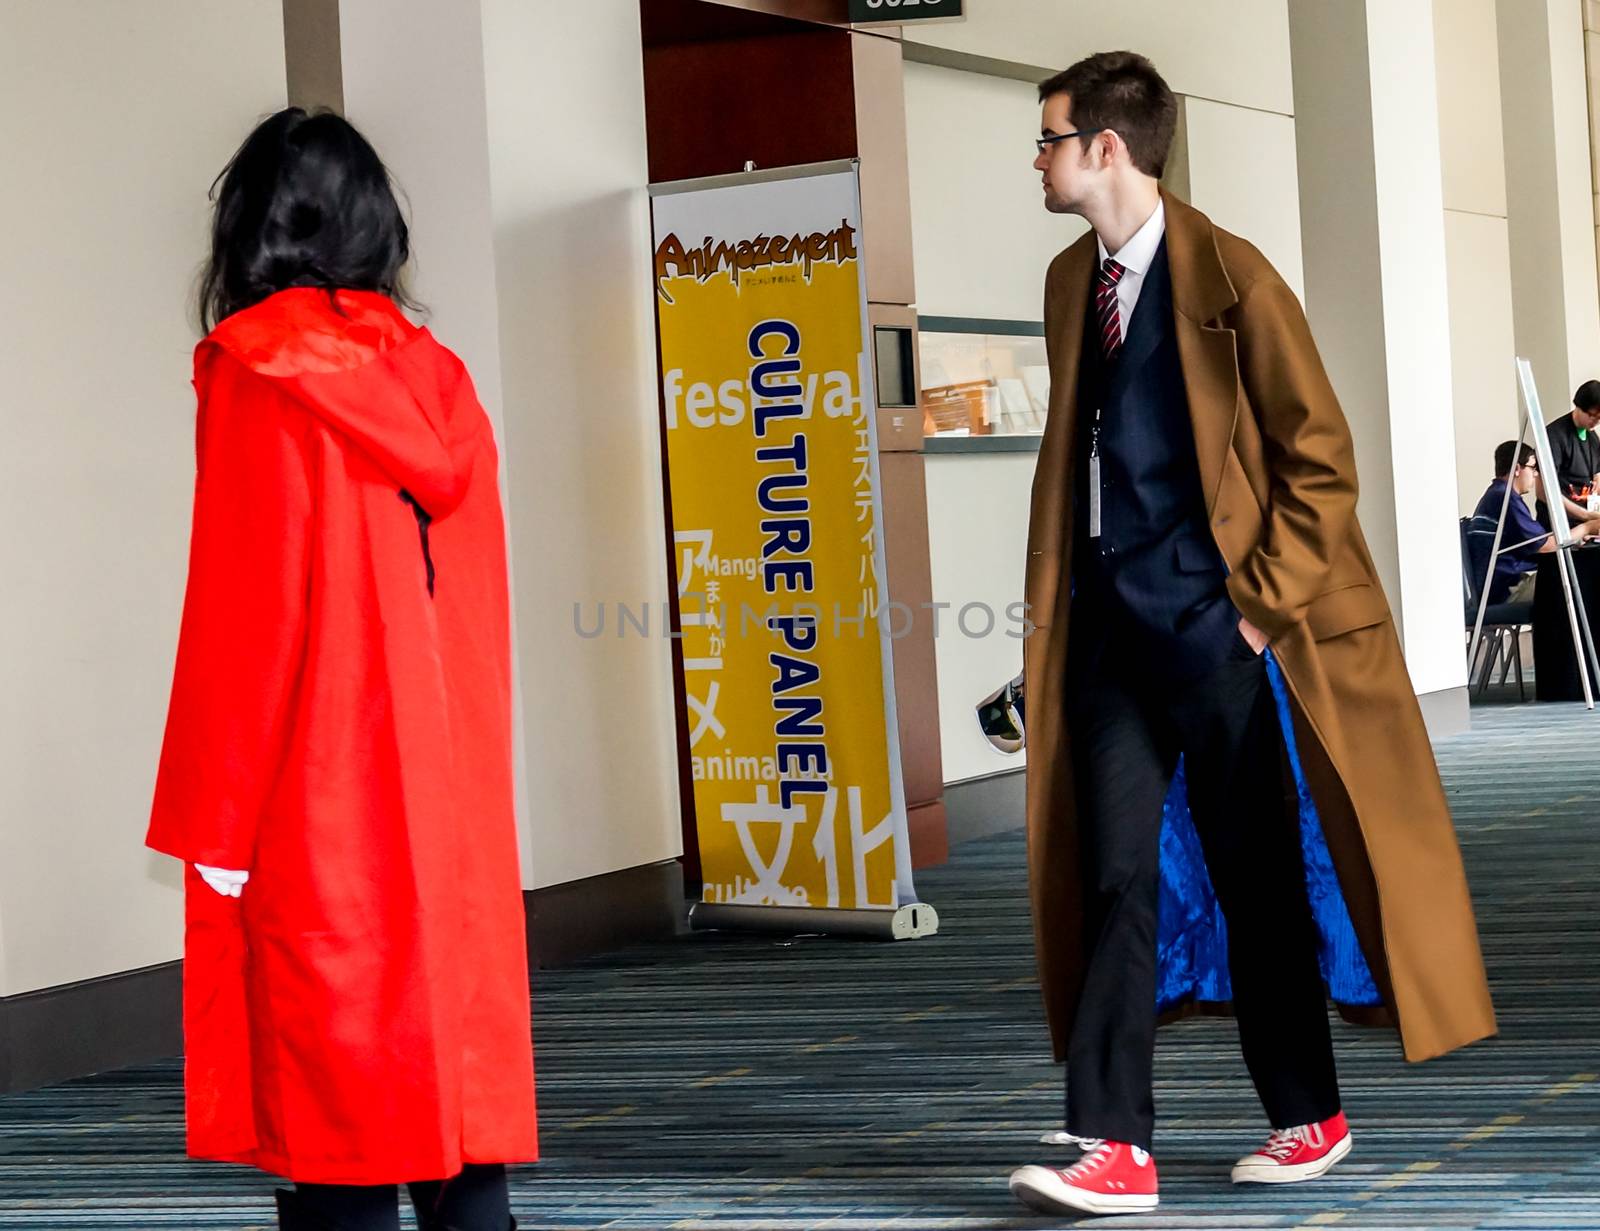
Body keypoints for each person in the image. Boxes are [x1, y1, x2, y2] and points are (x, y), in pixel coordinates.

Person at [1007, 52, 1495, 1218]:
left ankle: (1307, 1113)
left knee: (1255, 877)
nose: (1037, 158)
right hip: (1112, 641)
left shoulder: (1235, 276)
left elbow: (1322, 466)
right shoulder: (1070, 282)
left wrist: (1252, 607)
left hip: (1220, 632)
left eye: (1047, 138)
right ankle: (1113, 1141)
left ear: (1106, 150)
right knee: (1112, 873)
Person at [146, 108, 535, 1231]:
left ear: (252, 224)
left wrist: (215, 829)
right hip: (449, 796)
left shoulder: (256, 373)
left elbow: (244, 608)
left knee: (338, 1088)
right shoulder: (438, 379)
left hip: (324, 791)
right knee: (453, 1092)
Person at [1470, 441, 1600, 605]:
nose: (1536, 474)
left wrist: (1577, 536)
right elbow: (1545, 545)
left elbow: (1537, 540)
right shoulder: (1505, 498)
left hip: (1501, 583)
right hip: (1505, 588)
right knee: (1582, 584)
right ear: (1517, 469)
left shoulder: (1498, 494)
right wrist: (1587, 527)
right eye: (1533, 468)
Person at [1535, 381, 1600, 529]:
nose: (1595, 422)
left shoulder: (1592, 438)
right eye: (1592, 416)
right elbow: (1543, 492)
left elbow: (1597, 475)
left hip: (1585, 526)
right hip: (1558, 526)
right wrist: (1585, 515)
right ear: (1579, 406)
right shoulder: (1554, 436)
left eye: (1599, 418)